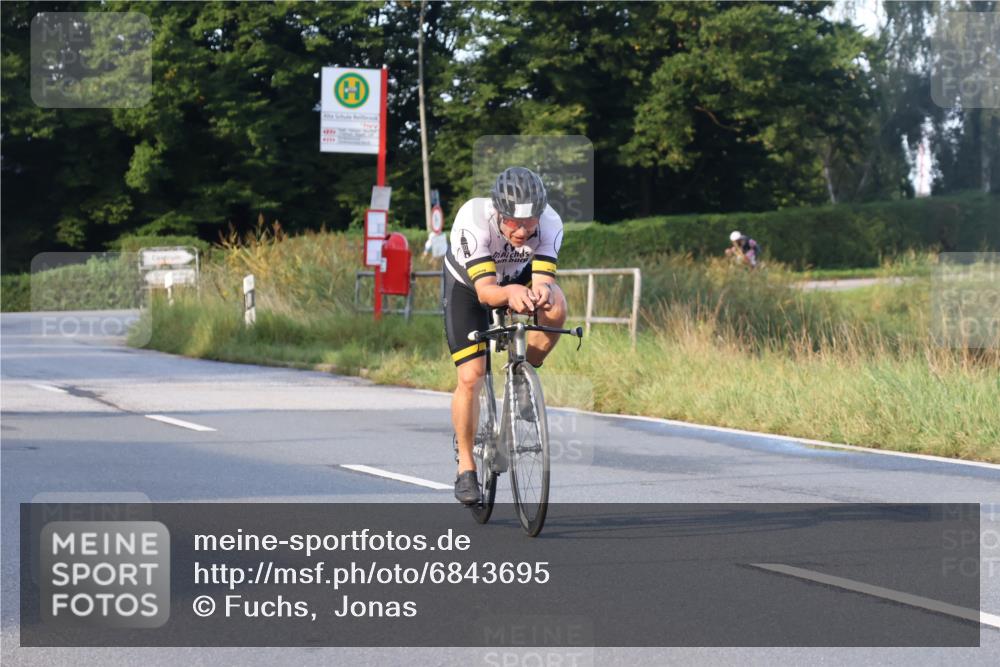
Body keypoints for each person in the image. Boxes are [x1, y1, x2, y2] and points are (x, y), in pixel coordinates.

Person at [442, 167, 567, 504]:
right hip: (469, 285)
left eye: (530, 222)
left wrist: (539, 295)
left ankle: (525, 375)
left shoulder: (550, 222)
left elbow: (543, 281)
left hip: (518, 275)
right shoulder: (473, 219)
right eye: (513, 221)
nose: (523, 231)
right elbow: (486, 292)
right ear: (498, 212)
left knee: (556, 307)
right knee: (472, 376)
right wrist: (510, 294)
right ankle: (466, 467)